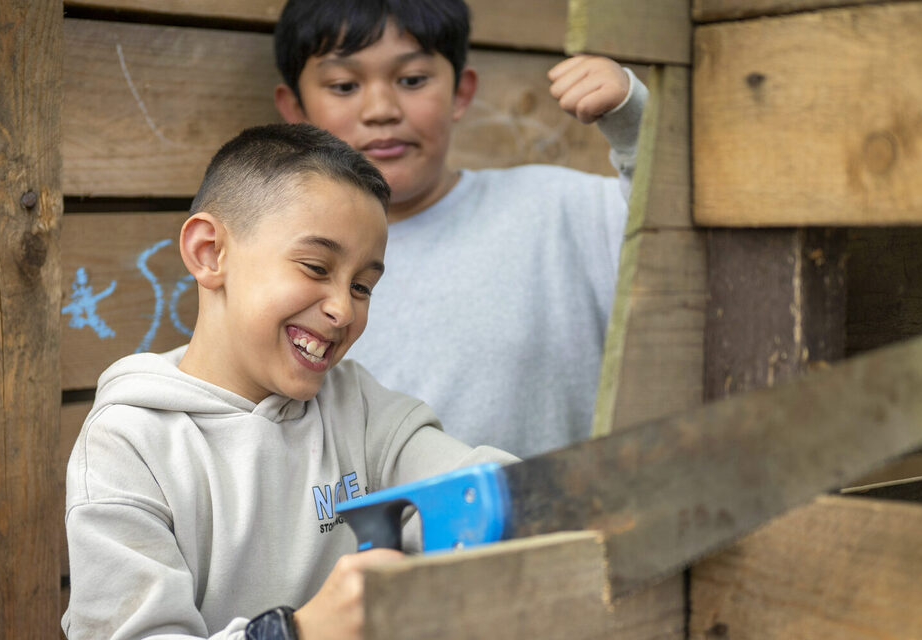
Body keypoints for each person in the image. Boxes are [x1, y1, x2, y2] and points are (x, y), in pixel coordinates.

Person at [62, 124, 517, 640]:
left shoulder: (357, 403)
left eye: (363, 286)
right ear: (210, 252)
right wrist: (294, 633)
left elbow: (472, 480)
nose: (343, 308)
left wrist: (541, 499)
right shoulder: (129, 446)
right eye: (316, 266)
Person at [273, 0, 648, 457]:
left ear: (461, 92)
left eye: (412, 80)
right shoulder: (281, 268)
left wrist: (637, 124)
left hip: (557, 527)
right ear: (295, 108)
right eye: (344, 85)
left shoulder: (562, 211)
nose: (381, 109)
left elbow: (672, 233)